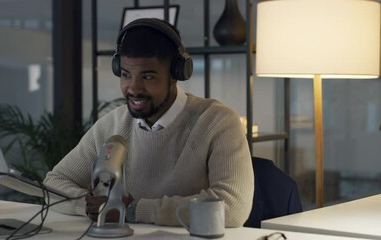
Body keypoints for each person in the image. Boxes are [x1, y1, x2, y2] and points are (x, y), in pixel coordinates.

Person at [43, 18, 254, 227]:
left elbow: (233, 207)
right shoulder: (111, 125)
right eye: (126, 74)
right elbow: (54, 183)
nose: (133, 88)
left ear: (176, 74)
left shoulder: (217, 122)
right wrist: (90, 205)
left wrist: (134, 210)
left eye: (148, 76)